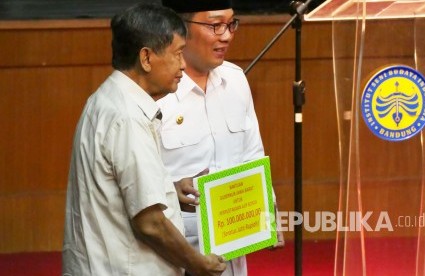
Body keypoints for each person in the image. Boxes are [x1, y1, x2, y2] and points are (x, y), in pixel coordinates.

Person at [62, 3, 226, 275]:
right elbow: (150, 223)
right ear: (146, 58)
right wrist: (197, 263)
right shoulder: (128, 117)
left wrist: (168, 190)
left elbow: (114, 188)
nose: (183, 65)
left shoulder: (107, 98)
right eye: (178, 54)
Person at [159, 0, 285, 275]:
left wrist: (268, 211)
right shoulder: (157, 92)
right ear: (179, 28)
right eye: (215, 25)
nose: (226, 35)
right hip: (174, 255)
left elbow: (253, 155)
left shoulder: (236, 80)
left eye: (231, 24)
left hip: (230, 250)